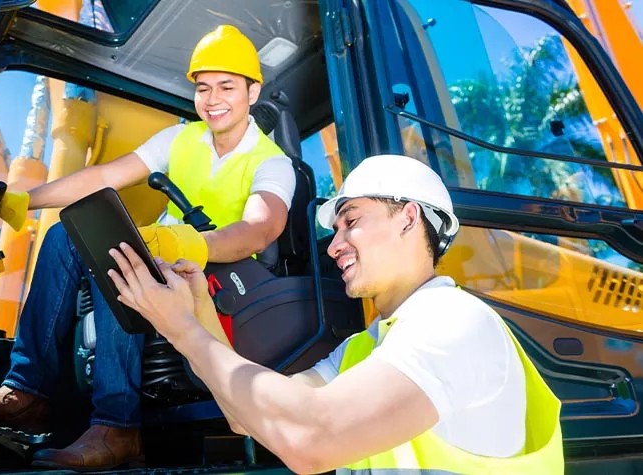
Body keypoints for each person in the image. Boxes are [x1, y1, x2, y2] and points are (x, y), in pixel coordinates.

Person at [0, 25, 297, 471]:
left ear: (253, 92)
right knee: (71, 232)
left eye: (227, 87)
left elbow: (260, 229)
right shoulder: (182, 139)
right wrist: (24, 200)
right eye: (203, 88)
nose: (213, 98)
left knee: (116, 253)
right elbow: (103, 178)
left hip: (218, 285)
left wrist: (190, 242)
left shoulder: (271, 161)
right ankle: (27, 391)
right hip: (162, 259)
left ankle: (119, 427)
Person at [108, 154, 564, 474]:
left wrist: (184, 331)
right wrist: (200, 310)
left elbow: (312, 441)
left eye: (352, 221)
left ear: (408, 218)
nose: (334, 244)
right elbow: (247, 418)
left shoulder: (455, 321)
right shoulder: (363, 348)